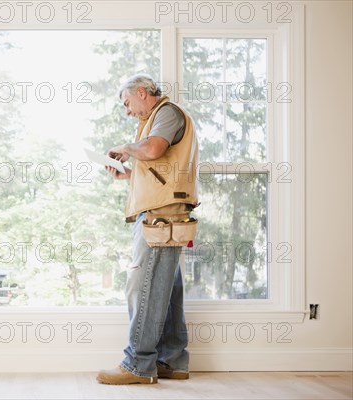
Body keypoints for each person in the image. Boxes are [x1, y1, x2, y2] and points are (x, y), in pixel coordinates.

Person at [96, 74, 199, 385]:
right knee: (166, 290)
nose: (128, 111)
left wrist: (128, 147)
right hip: (163, 214)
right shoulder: (154, 120)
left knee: (144, 287)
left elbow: (153, 150)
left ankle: (138, 364)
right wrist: (127, 175)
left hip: (160, 217)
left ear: (142, 92)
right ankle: (173, 360)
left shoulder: (166, 113)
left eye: (128, 103)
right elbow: (159, 170)